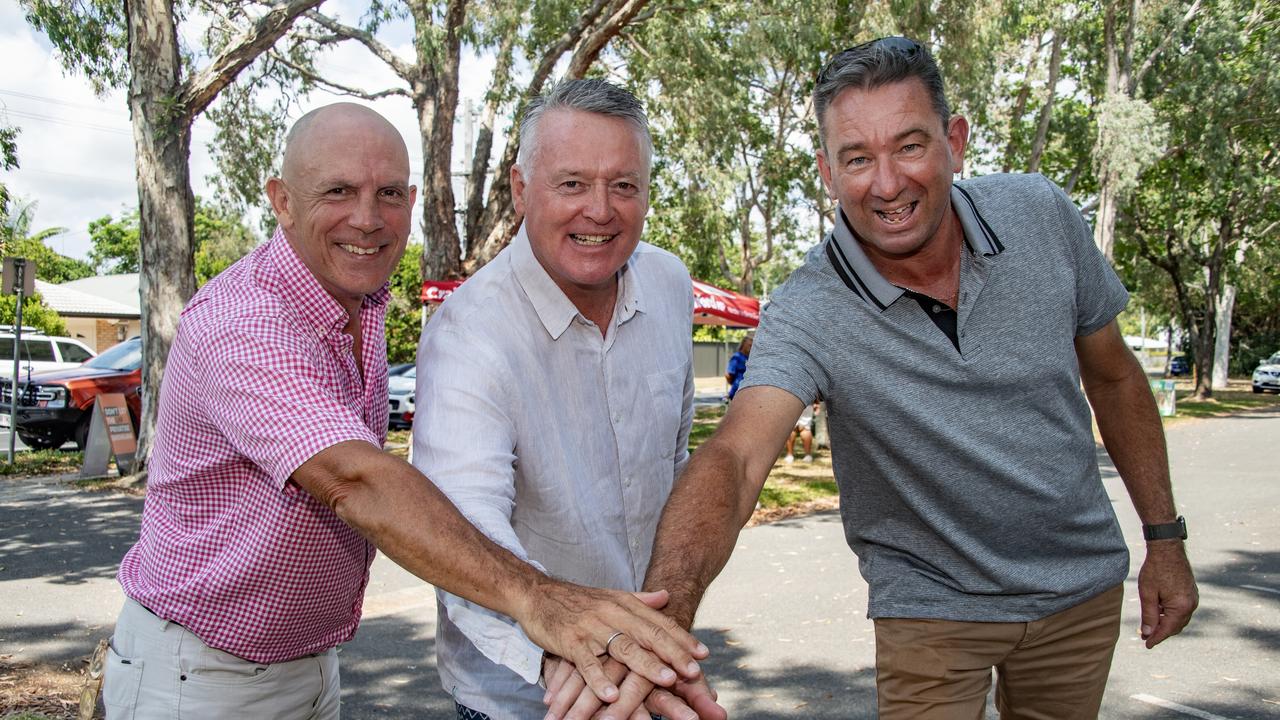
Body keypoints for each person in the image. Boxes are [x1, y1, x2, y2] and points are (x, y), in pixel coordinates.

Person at [633, 37, 1200, 718]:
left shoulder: (1042, 216)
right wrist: (664, 623)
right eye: (857, 158)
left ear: (954, 141)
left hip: (1077, 592)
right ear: (827, 171)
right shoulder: (810, 307)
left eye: (909, 146)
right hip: (930, 610)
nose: (887, 182)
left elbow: (1113, 378)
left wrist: (1165, 540)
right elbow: (738, 455)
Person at [103, 102, 706, 720]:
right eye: (338, 191)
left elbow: (680, 465)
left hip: (309, 665)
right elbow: (359, 481)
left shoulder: (357, 299)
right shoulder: (245, 322)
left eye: (388, 193)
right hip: (200, 674)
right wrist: (542, 602)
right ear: (281, 200)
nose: (367, 219)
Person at [412, 79, 722, 720]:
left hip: (641, 673)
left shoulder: (667, 284)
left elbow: (673, 468)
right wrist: (573, 657)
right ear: (521, 189)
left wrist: (646, 654)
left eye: (624, 185)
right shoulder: (470, 331)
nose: (600, 210)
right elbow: (464, 526)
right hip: (521, 693)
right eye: (572, 183)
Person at [723, 333, 752, 400]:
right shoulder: (736, 357)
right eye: (749, 345)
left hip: (747, 392)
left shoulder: (749, 358)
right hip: (737, 392)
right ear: (744, 344)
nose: (751, 348)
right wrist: (736, 384)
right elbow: (728, 375)